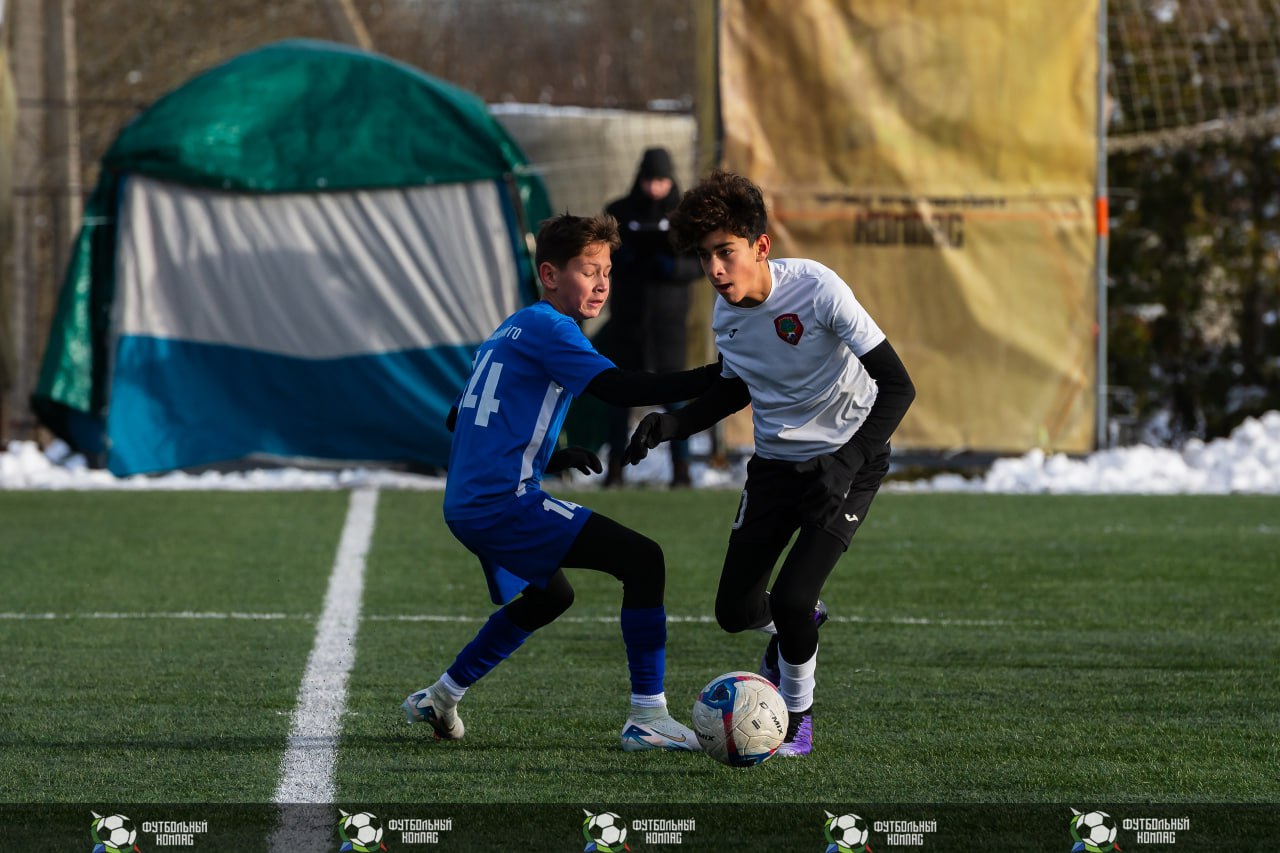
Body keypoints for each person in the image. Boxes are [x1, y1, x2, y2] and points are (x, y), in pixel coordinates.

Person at [624, 170, 916, 757]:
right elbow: (738, 385)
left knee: (787, 599)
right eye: (706, 257)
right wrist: (673, 423)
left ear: (760, 246)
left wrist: (848, 460)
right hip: (776, 468)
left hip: (848, 463)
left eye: (725, 253)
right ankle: (804, 620)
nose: (715, 270)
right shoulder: (726, 316)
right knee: (734, 612)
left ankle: (799, 720)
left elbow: (898, 386)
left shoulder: (817, 289)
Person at [403, 213, 719, 752]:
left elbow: (464, 418)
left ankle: (441, 695)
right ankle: (648, 716)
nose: (601, 283)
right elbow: (621, 388)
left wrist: (547, 454)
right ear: (550, 274)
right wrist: (723, 373)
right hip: (502, 503)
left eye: (608, 271)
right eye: (589, 270)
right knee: (644, 560)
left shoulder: (513, 325)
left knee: (551, 595)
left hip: (470, 502)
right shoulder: (555, 327)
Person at [601, 147, 703, 487]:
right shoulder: (619, 211)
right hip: (628, 323)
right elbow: (605, 252)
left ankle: (682, 470)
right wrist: (626, 258)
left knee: (676, 397)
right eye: (649, 181)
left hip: (669, 324)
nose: (654, 189)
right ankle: (614, 469)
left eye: (660, 181)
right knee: (619, 397)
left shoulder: (685, 216)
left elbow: (699, 263)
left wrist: (673, 267)